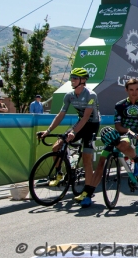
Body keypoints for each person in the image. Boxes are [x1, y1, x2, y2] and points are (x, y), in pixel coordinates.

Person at [81, 78, 138, 208]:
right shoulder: (119, 105)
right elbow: (118, 126)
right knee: (102, 161)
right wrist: (128, 131)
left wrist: (137, 131)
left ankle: (137, 160)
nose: (134, 92)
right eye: (131, 90)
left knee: (123, 143)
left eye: (137, 89)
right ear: (126, 90)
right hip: (121, 134)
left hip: (137, 134)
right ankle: (88, 195)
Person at [36, 68, 100, 205]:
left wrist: (74, 133)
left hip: (91, 125)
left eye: (75, 78)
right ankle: (59, 173)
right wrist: (47, 131)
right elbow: (60, 115)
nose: (72, 81)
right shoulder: (69, 95)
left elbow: (87, 117)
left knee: (87, 158)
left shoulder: (91, 95)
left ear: (83, 81)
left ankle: (87, 192)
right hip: (80, 123)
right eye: (71, 78)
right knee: (57, 146)